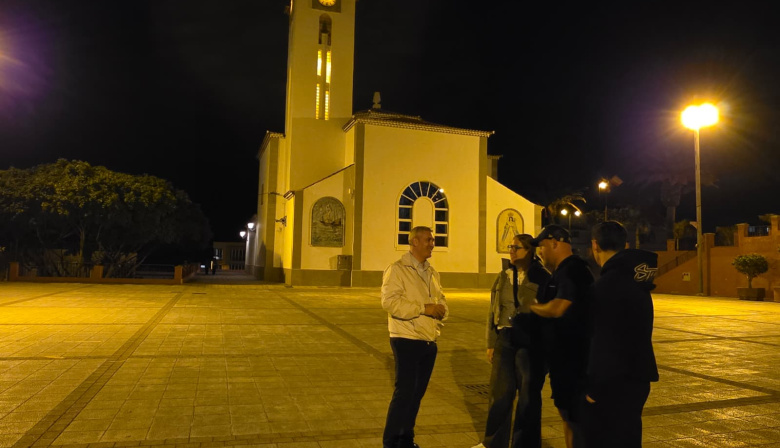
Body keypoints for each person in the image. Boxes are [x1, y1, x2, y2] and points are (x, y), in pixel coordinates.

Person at [582, 221, 659, 447]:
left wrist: (594, 389)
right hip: (638, 377)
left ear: (595, 245)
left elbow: (604, 342)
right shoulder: (638, 281)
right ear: (625, 245)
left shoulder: (605, 286)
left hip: (612, 383)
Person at [472, 234, 550, 448]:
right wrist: (491, 342)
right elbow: (493, 309)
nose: (512, 250)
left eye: (517, 247)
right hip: (505, 338)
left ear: (530, 251)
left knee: (528, 398)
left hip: (530, 342)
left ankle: (525, 443)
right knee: (500, 395)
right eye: (510, 246)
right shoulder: (503, 276)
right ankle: (493, 443)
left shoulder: (542, 277)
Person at [381, 226, 448, 448]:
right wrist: (424, 308)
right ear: (415, 242)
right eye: (428, 240)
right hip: (406, 338)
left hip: (428, 340)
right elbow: (389, 302)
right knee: (404, 394)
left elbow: (441, 299)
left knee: (416, 395)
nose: (432, 243)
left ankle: (406, 439)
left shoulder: (432, 272)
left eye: (433, 240)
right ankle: (392, 442)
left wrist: (441, 310)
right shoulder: (397, 269)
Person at [529, 225, 593, 448]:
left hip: (575, 363)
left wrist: (531, 308)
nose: (540, 252)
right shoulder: (561, 271)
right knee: (568, 416)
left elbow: (559, 307)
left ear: (555, 243)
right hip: (563, 360)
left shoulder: (573, 270)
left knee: (576, 420)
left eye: (542, 246)